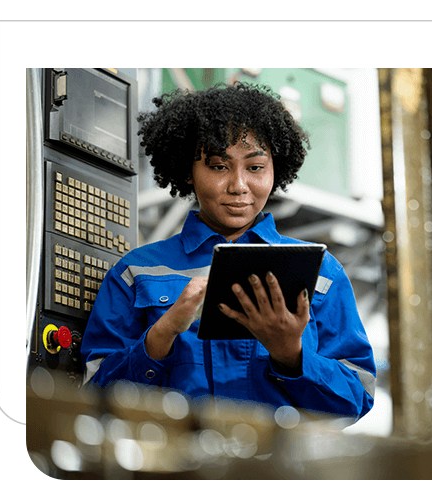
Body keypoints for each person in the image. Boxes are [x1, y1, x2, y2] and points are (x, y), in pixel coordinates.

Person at [80, 81, 376, 422]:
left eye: (255, 167)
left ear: (276, 168)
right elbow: (92, 400)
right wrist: (161, 334)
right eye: (219, 166)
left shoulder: (322, 273)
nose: (238, 186)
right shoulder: (135, 273)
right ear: (188, 171)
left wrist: (291, 354)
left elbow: (356, 399)